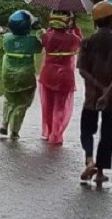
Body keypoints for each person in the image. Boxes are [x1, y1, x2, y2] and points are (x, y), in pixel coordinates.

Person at [78, 2, 112, 186]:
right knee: (107, 133)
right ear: (111, 20)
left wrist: (97, 88)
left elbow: (82, 70)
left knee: (86, 130)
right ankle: (99, 172)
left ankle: (89, 159)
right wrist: (107, 92)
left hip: (91, 96)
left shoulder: (87, 42)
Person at [39, 12, 83, 145]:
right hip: (64, 75)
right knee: (60, 106)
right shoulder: (73, 39)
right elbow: (81, 42)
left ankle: (49, 131)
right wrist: (74, 29)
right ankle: (56, 134)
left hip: (48, 73)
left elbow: (44, 41)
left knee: (48, 104)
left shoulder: (46, 36)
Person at [0, 10, 42, 139]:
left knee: (9, 99)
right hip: (26, 75)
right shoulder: (32, 41)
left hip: (8, 73)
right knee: (22, 103)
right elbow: (40, 47)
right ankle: (14, 130)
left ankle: (4, 123)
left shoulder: (6, 38)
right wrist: (39, 31)